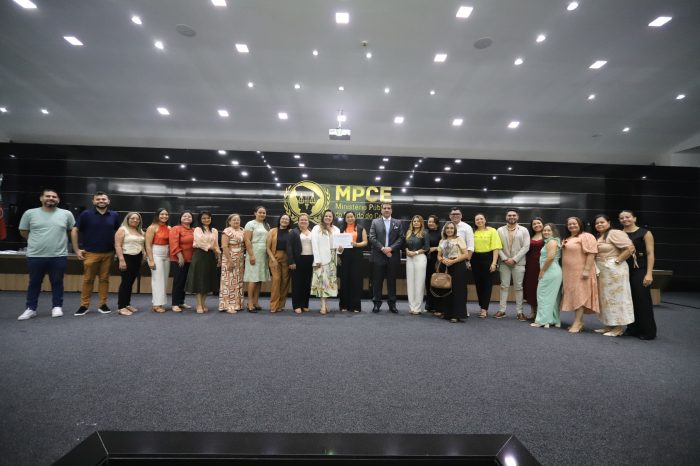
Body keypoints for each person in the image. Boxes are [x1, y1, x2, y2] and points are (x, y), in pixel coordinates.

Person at [17, 189, 75, 320]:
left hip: (58, 255)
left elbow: (71, 231)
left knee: (57, 282)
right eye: (48, 196)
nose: (51, 198)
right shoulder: (29, 213)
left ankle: (57, 306)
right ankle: (30, 308)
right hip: (35, 255)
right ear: (41, 198)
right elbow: (24, 231)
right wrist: (36, 241)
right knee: (34, 282)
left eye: (54, 196)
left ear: (58, 200)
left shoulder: (66, 214)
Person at [71, 192, 121, 316]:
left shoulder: (114, 215)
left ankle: (103, 304)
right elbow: (74, 230)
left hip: (109, 253)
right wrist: (76, 249)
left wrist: (118, 251)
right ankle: (84, 305)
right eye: (98, 199)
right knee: (88, 280)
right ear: (93, 201)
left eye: (103, 199)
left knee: (104, 280)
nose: (101, 201)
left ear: (108, 201)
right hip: (90, 253)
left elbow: (119, 233)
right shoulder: (86, 214)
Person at [593, 214, 635, 337]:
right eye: (597, 223)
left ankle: (618, 327)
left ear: (609, 222)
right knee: (605, 298)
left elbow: (630, 248)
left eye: (602, 222)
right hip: (603, 270)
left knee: (616, 298)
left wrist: (617, 261)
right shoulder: (599, 236)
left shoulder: (615, 233)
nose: (599, 224)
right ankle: (609, 324)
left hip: (614, 270)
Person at [619, 210, 657, 340]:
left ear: (634, 218)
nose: (625, 219)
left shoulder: (645, 233)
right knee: (628, 300)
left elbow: (650, 254)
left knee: (642, 299)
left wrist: (649, 274)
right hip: (624, 270)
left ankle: (648, 331)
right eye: (622, 218)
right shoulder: (619, 234)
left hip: (640, 269)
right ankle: (632, 328)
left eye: (627, 217)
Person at [560, 216, 599, 333]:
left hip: (581, 272)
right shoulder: (568, 238)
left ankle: (577, 322)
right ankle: (579, 321)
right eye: (569, 224)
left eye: (574, 223)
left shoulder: (586, 236)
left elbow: (591, 253)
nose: (572, 226)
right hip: (569, 273)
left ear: (580, 224)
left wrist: (586, 270)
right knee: (574, 296)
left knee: (580, 296)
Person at [496, 209, 530, 320]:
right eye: (509, 215)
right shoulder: (500, 230)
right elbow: (497, 246)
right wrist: (505, 259)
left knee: (518, 287)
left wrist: (514, 259)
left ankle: (520, 312)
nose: (512, 217)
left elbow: (526, 247)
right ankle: (502, 310)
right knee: (504, 286)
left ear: (517, 217)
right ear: (506, 217)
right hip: (504, 263)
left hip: (518, 263)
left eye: (514, 215)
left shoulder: (524, 230)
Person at [368, 203, 404, 313]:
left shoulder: (398, 222)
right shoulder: (375, 222)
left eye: (389, 208)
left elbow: (401, 238)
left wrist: (390, 248)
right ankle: (376, 304)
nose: (387, 210)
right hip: (378, 256)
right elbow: (372, 238)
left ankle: (392, 304)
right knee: (377, 281)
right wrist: (383, 248)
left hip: (393, 256)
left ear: (391, 210)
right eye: (384, 208)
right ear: (381, 210)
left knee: (392, 281)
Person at [185, 211, 221, 313]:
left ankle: (203, 303)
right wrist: (211, 247)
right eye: (204, 218)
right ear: (200, 219)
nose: (206, 220)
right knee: (199, 280)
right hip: (200, 255)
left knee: (207, 281)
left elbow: (216, 245)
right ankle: (199, 304)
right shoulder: (197, 229)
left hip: (211, 257)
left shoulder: (214, 230)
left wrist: (218, 256)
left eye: (208, 218)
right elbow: (200, 242)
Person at [436, 221, 469, 323]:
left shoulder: (459, 239)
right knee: (446, 290)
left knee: (458, 290)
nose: (449, 230)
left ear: (454, 230)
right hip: (445, 266)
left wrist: (453, 261)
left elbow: (465, 254)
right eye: (447, 228)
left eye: (451, 228)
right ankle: (447, 313)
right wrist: (443, 260)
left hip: (458, 266)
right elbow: (439, 255)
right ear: (444, 230)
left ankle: (456, 315)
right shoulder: (442, 240)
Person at [311, 209, 343, 314]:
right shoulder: (316, 228)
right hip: (321, 259)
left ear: (333, 218)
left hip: (332, 259)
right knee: (322, 283)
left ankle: (325, 303)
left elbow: (338, 246)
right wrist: (317, 259)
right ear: (323, 217)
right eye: (326, 216)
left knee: (329, 283)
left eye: (330, 216)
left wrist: (340, 249)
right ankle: (323, 305)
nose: (328, 218)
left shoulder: (336, 229)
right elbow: (314, 244)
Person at [530, 223, 562, 328]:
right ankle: (553, 320)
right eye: (544, 230)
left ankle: (542, 321)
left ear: (554, 232)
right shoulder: (553, 241)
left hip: (550, 271)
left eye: (549, 230)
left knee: (543, 295)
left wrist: (542, 271)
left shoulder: (552, 242)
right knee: (552, 297)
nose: (546, 232)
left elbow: (550, 257)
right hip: (554, 271)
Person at [472, 213, 502, 318]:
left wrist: (494, 263)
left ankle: (484, 309)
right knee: (478, 284)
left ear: (485, 220)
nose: (479, 221)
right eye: (477, 219)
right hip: (475, 259)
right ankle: (482, 306)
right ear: (475, 222)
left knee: (487, 284)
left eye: (481, 219)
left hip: (488, 258)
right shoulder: (473, 232)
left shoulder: (492, 231)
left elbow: (496, 247)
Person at [114, 212, 145, 316]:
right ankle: (121, 307)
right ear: (127, 219)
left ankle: (127, 304)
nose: (135, 220)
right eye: (132, 218)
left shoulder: (140, 231)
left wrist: (144, 255)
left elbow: (142, 244)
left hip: (137, 258)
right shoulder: (122, 229)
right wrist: (121, 260)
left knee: (130, 282)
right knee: (126, 282)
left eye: (137, 219)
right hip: (126, 257)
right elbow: (118, 246)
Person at [338, 211, 368, 313]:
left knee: (356, 281)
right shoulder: (341, 229)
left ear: (355, 217)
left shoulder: (361, 228)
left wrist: (356, 244)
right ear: (345, 219)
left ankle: (355, 306)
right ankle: (344, 305)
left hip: (357, 257)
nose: (350, 218)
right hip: (344, 257)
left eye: (351, 217)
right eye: (348, 217)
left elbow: (365, 242)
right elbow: (337, 244)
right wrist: (339, 250)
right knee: (344, 281)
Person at [243, 206, 270, 312]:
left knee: (259, 279)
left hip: (264, 254)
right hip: (254, 252)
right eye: (260, 212)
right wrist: (251, 255)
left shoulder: (267, 225)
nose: (262, 214)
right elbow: (247, 240)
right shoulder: (250, 224)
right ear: (255, 213)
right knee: (253, 278)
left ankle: (256, 302)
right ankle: (249, 303)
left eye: (264, 213)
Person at [145, 208, 171, 313]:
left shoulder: (169, 228)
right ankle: (156, 305)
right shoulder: (152, 228)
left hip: (166, 255)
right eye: (162, 214)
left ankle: (160, 303)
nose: (164, 216)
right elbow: (148, 245)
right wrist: (151, 260)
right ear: (157, 215)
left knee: (164, 280)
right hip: (155, 254)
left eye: (166, 214)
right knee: (157, 280)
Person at [287, 214, 314, 314]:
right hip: (298, 260)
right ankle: (297, 305)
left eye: (305, 220)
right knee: (297, 283)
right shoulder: (293, 232)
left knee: (307, 283)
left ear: (308, 222)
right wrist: (291, 261)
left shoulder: (312, 232)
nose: (303, 221)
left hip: (310, 260)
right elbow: (289, 247)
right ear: (298, 222)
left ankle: (305, 304)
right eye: (301, 220)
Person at [220, 213, 245, 313]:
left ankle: (238, 304)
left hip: (240, 260)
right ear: (229, 222)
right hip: (229, 259)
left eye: (238, 219)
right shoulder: (227, 231)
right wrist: (230, 261)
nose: (236, 221)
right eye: (234, 220)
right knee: (229, 282)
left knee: (238, 282)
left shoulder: (243, 230)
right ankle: (228, 306)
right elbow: (224, 246)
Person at [266, 214, 292, 312]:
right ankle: (273, 306)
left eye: (287, 219)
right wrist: (273, 259)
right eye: (283, 218)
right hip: (275, 257)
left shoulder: (291, 232)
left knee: (285, 282)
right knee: (276, 281)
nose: (284, 220)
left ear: (289, 222)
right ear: (280, 220)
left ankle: (280, 305)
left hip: (287, 259)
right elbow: (267, 247)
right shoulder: (272, 231)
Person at [169, 211, 194, 312]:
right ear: (180, 218)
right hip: (178, 259)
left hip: (190, 260)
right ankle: (175, 304)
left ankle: (181, 302)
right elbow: (173, 244)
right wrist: (180, 257)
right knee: (178, 281)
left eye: (189, 216)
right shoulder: (176, 228)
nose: (187, 217)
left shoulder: (194, 230)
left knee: (184, 281)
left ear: (192, 219)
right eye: (184, 216)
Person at [404, 215, 429, 314]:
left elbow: (426, 247)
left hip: (420, 258)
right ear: (412, 222)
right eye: (414, 221)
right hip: (409, 258)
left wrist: (415, 252)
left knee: (419, 283)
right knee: (410, 283)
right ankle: (412, 307)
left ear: (421, 223)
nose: (416, 223)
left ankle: (417, 308)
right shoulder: (409, 232)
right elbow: (405, 245)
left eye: (418, 221)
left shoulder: (424, 232)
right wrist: (407, 251)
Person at [523, 217, 544, 320]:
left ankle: (541, 313)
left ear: (543, 224)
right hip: (530, 266)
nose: (536, 225)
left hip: (543, 265)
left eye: (538, 223)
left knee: (541, 289)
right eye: (534, 224)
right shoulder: (530, 236)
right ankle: (533, 312)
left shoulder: (547, 235)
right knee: (531, 288)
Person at [424, 215, 442, 314]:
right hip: (426, 260)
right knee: (427, 282)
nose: (430, 223)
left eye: (432, 222)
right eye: (429, 222)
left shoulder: (441, 233)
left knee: (436, 283)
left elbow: (444, 245)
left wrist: (434, 248)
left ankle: (437, 306)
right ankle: (429, 305)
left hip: (436, 261)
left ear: (437, 223)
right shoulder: (425, 232)